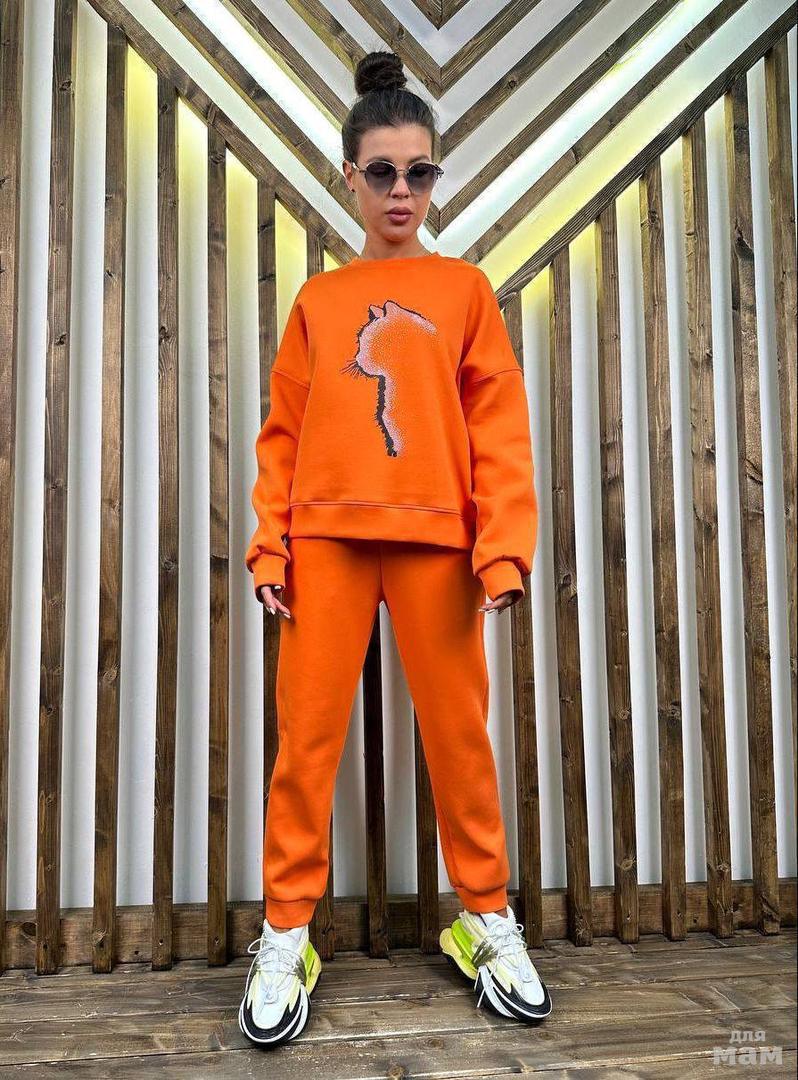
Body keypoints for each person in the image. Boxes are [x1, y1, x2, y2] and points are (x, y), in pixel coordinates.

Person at [237, 50, 552, 1049]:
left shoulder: (464, 290)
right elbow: (282, 434)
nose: (403, 191)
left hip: (436, 545)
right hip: (326, 541)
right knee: (306, 745)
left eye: (420, 171)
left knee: (460, 742)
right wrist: (270, 548)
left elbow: (499, 428)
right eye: (384, 172)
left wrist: (502, 551)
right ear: (351, 177)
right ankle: (286, 933)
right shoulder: (320, 301)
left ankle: (484, 918)